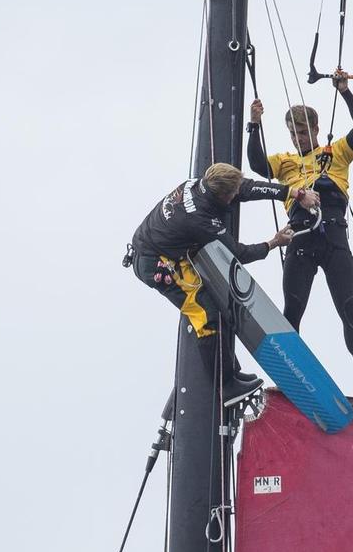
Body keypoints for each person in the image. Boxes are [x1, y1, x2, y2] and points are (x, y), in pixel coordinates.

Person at [131, 162, 319, 404]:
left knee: (221, 303)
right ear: (223, 195)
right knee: (207, 316)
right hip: (156, 263)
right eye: (233, 194)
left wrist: (295, 193)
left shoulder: (203, 184)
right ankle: (225, 388)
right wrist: (274, 242)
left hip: (167, 249)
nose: (237, 194)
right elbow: (237, 254)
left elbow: (248, 188)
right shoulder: (200, 219)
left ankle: (230, 372)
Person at [246, 70, 353, 400]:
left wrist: (345, 91)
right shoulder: (286, 161)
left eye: (303, 133)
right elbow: (256, 165)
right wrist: (254, 125)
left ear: (316, 130)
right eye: (293, 134)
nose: (298, 139)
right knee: (292, 308)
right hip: (300, 239)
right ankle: (290, 377)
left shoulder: (337, 153)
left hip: (334, 236)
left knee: (348, 305)